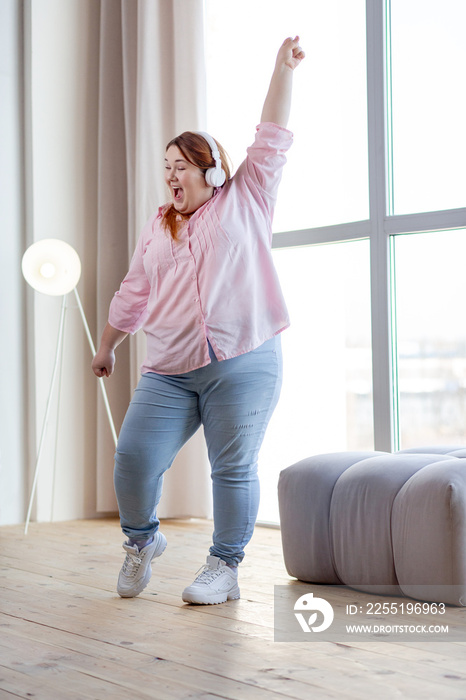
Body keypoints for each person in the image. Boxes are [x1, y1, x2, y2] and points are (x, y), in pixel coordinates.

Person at [92, 36, 305, 604]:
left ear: (210, 173)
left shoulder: (248, 197)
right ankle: (143, 542)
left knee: (232, 467)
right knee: (134, 459)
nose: (171, 175)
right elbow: (134, 289)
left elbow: (272, 135)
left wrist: (281, 69)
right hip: (169, 367)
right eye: (166, 166)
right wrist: (108, 345)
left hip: (244, 358)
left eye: (180, 165)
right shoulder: (158, 225)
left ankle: (225, 567)